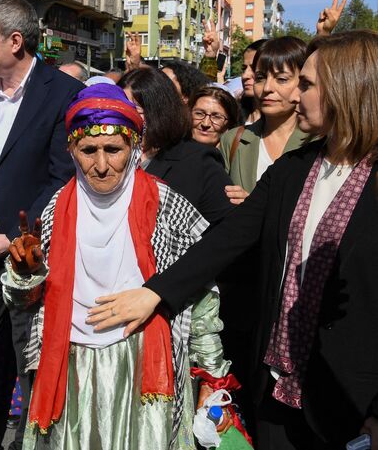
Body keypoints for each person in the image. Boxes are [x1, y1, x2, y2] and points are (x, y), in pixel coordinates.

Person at [91, 29, 378, 449]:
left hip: (352, 403)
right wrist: (156, 292)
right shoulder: (294, 169)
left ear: (346, 90)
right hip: (275, 387)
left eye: (308, 84)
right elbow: (226, 239)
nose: (294, 94)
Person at [5, 83, 232, 449]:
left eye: (113, 150)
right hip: (71, 367)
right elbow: (27, 304)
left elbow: (202, 293)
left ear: (133, 147)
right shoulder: (52, 211)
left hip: (144, 366)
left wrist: (211, 377)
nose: (100, 165)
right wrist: (24, 273)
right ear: (71, 150)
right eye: (88, 150)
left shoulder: (167, 207)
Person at [0, 0, 85, 450]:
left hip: (30, 259)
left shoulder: (64, 95)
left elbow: (62, 178)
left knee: (32, 365)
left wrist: (16, 238)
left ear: (15, 40)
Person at [119, 68, 234, 226]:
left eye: (135, 110)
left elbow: (228, 231)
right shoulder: (109, 156)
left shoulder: (200, 163)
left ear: (158, 111)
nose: (125, 116)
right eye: (119, 108)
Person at [219, 36, 311, 205]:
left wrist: (256, 206)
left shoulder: (317, 142)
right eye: (260, 77)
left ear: (303, 83)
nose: (267, 88)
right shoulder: (232, 140)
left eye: (281, 79)